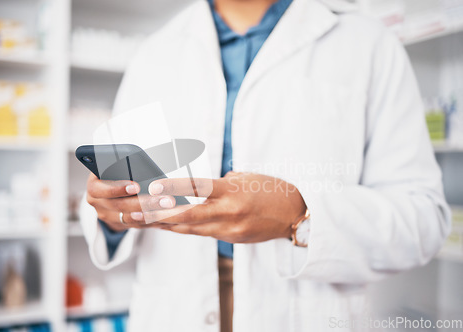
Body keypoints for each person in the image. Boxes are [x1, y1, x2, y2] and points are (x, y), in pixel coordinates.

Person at [80, 0, 451, 331]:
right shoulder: (155, 52)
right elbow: (122, 184)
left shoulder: (367, 43)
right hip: (174, 308)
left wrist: (299, 215)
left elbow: (424, 218)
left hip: (304, 309)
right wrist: (114, 215)